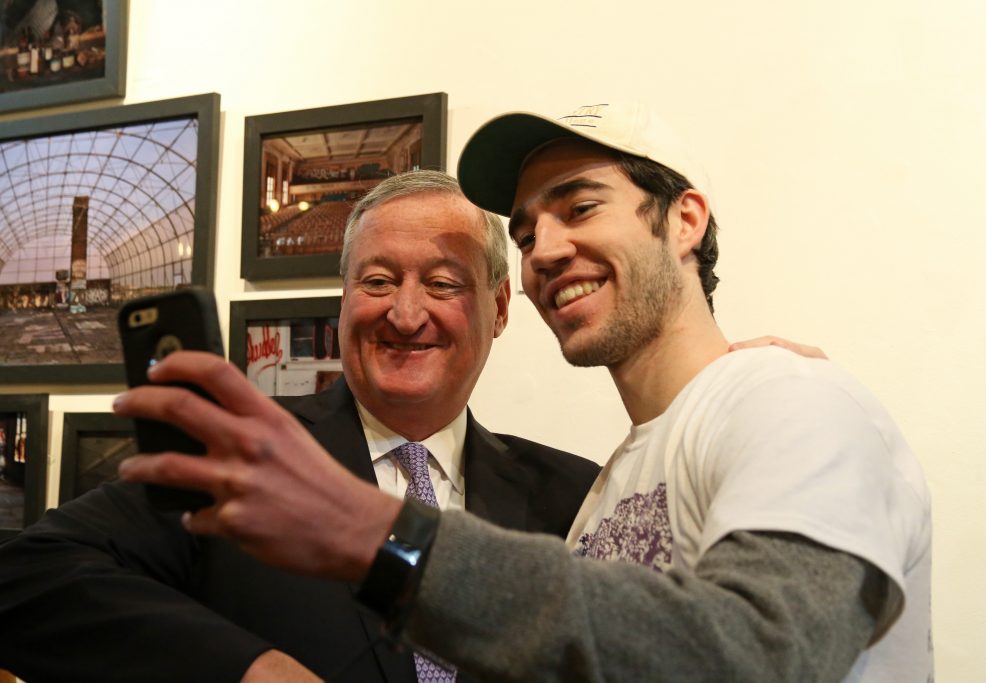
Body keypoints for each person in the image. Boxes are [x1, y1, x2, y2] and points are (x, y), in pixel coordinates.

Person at [108, 102, 932, 683]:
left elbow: (766, 655)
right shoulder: (613, 481)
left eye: (581, 205)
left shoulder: (788, 399)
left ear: (684, 220)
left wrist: (381, 538)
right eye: (528, 230)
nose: (547, 247)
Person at [0, 171, 601, 683]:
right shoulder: (242, 455)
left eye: (442, 284)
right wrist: (249, 669)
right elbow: (15, 581)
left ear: (496, 308)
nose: (406, 315)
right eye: (378, 281)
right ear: (343, 298)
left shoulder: (576, 497)